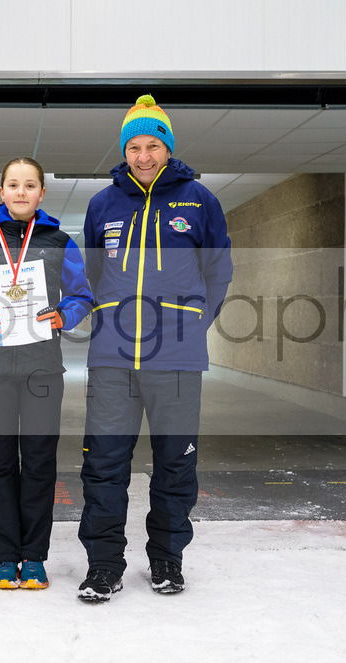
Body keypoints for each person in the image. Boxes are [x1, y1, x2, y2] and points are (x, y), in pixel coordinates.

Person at [76, 95, 233, 603]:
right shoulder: (103, 204)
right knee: (104, 465)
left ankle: (167, 559)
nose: (143, 156)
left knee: (175, 463)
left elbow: (219, 270)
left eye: (152, 145)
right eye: (134, 147)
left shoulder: (199, 200)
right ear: (124, 151)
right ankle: (104, 565)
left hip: (177, 359)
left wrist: (196, 324)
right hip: (112, 358)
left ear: (168, 148)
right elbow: (94, 273)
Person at [0, 157, 92, 590]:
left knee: (39, 463)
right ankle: (4, 557)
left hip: (42, 368)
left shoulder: (60, 241)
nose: (21, 192)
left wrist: (64, 315)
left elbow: (81, 294)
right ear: (1, 192)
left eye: (30, 185)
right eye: (13, 184)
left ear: (42, 193)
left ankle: (33, 557)